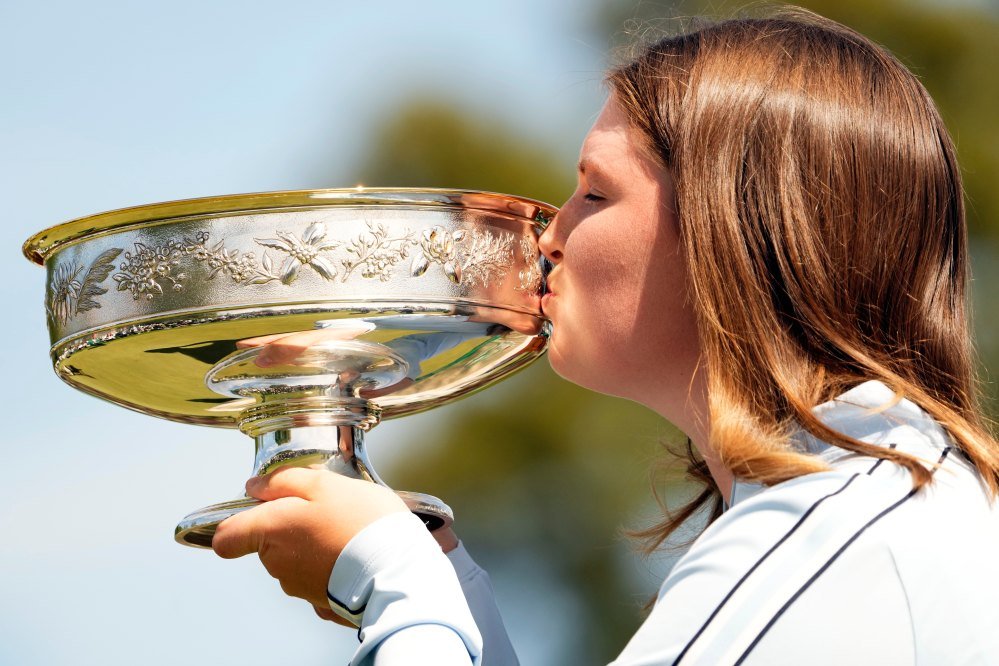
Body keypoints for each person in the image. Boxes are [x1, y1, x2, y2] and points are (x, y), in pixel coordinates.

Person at [211, 8, 999, 665]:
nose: (551, 233)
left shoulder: (835, 535)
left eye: (595, 191)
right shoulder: (854, 506)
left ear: (733, 231)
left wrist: (392, 577)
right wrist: (450, 594)